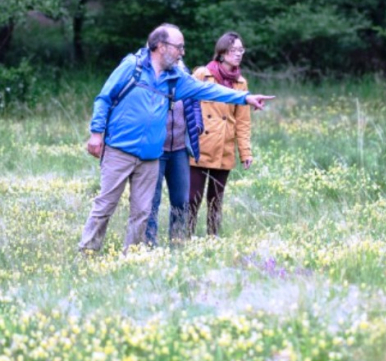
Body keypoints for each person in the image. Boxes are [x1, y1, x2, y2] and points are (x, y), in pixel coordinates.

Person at [79, 24, 273, 254]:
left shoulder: (175, 78)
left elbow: (208, 90)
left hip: (151, 156)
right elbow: (104, 98)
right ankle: (87, 252)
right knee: (105, 206)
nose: (183, 52)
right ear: (161, 47)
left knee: (142, 211)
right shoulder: (132, 67)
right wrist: (96, 133)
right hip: (120, 150)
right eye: (179, 47)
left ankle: (131, 258)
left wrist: (245, 98)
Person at [187, 31, 253, 237]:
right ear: (222, 52)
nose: (238, 54)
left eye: (241, 50)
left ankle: (213, 238)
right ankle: (184, 237)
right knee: (192, 198)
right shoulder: (202, 74)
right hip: (199, 147)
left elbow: (242, 121)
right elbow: (186, 106)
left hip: (224, 147)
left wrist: (245, 152)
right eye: (233, 50)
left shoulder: (241, 82)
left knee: (216, 199)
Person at [144, 57, 202, 247]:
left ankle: (177, 244)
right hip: (156, 150)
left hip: (179, 150)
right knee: (152, 200)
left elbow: (195, 105)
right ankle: (150, 244)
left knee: (181, 201)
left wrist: (198, 124)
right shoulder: (150, 79)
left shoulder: (185, 78)